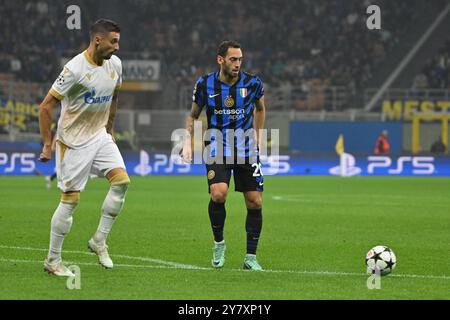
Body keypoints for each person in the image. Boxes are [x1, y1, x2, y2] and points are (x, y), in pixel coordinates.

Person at [38, 19, 130, 277]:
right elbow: (45, 106)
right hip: (74, 142)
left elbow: (114, 97)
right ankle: (53, 260)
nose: (118, 47)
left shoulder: (116, 65)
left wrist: (109, 129)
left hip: (99, 135)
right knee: (71, 200)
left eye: (118, 41)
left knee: (122, 182)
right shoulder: (74, 69)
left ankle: (99, 240)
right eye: (113, 41)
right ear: (97, 40)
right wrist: (47, 144)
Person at [182, 41, 266, 271]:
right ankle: (219, 243)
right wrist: (186, 143)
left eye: (240, 59)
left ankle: (251, 257)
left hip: (246, 148)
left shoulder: (253, 83)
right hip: (217, 146)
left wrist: (258, 136)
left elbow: (260, 109)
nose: (238, 64)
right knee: (219, 194)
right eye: (233, 59)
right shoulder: (205, 83)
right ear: (221, 60)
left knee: (255, 201)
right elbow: (193, 116)